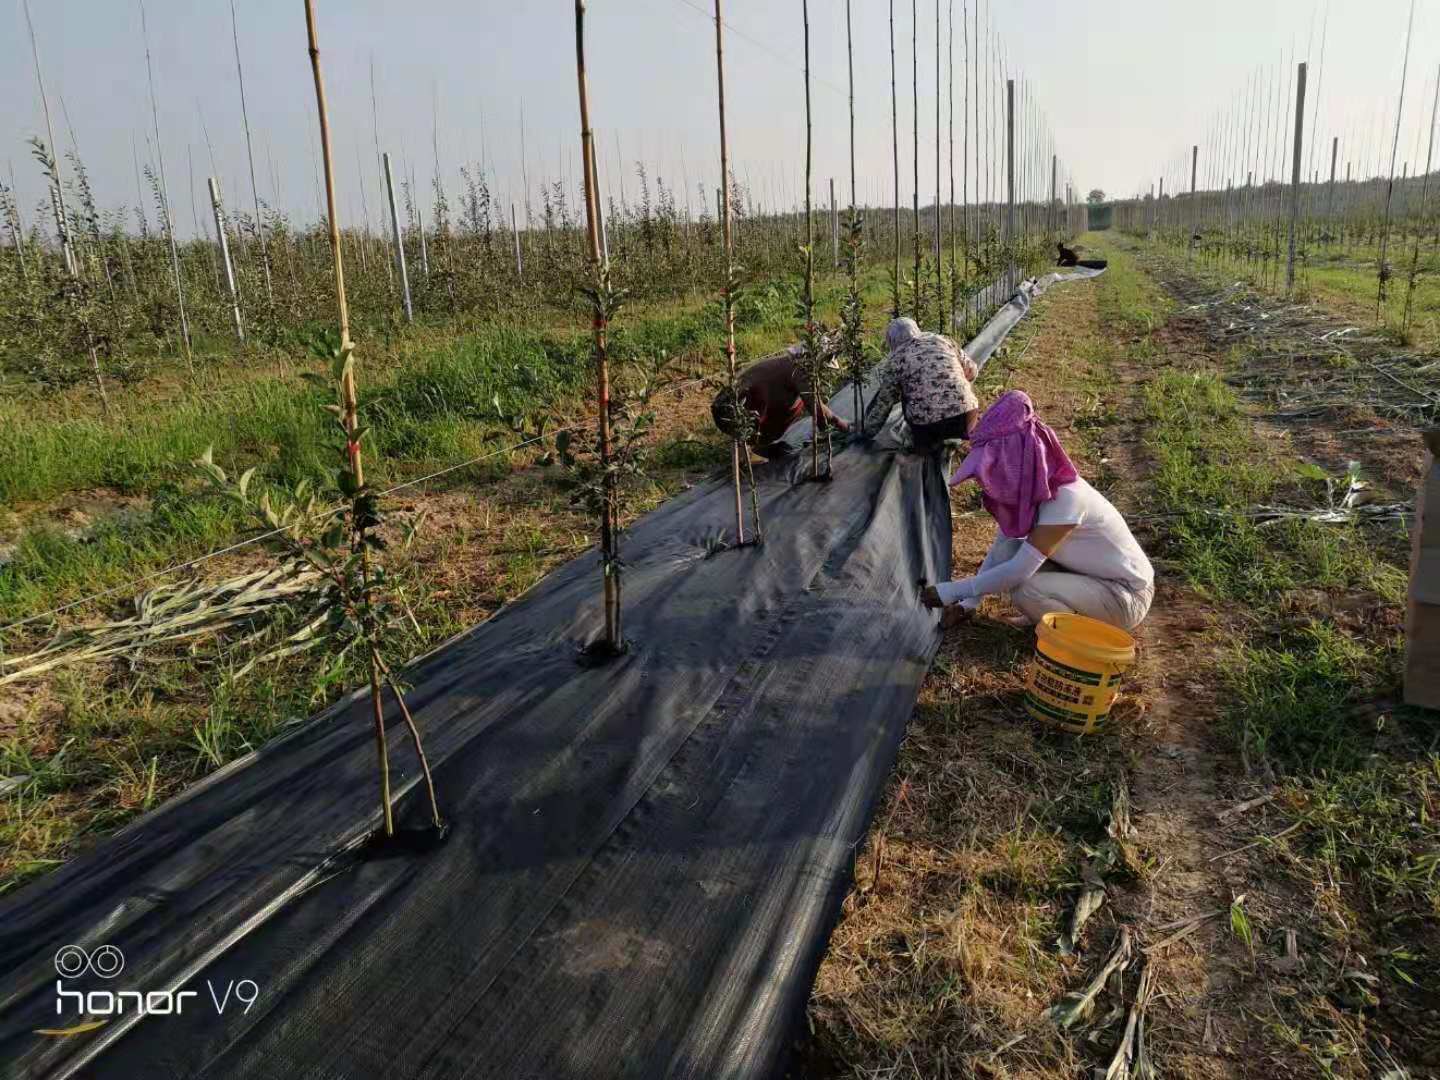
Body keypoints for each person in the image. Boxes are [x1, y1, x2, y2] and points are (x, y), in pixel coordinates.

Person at [921, 390, 1154, 631]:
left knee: (1026, 591)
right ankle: (1049, 615)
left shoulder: (1066, 500)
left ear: (1014, 463)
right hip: (1088, 576)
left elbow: (1018, 571)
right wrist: (968, 603)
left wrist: (950, 591)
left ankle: (1075, 635)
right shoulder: (1028, 492)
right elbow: (1003, 550)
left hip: (1125, 596)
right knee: (1011, 550)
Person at [711, 345, 849, 458]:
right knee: (797, 401)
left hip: (725, 409)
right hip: (730, 413)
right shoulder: (799, 370)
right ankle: (744, 452)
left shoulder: (789, 363)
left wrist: (823, 428)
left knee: (795, 400)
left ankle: (749, 445)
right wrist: (838, 422)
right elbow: (814, 405)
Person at [861, 318, 980, 448]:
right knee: (961, 382)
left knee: (906, 394)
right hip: (967, 418)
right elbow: (972, 371)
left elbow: (884, 404)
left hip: (928, 428)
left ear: (892, 341)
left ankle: (925, 442)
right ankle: (958, 433)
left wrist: (866, 434)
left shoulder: (894, 361)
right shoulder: (943, 340)